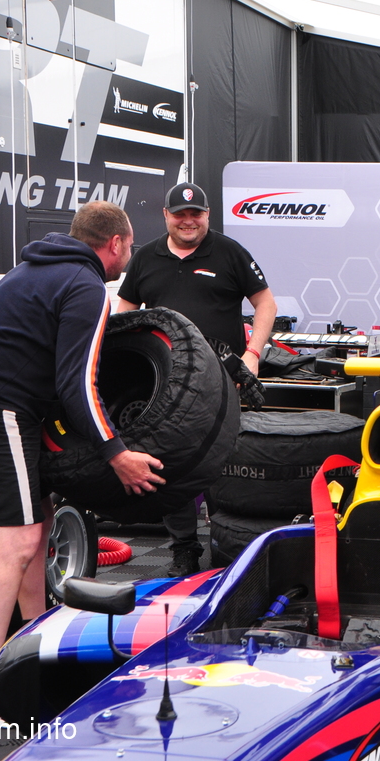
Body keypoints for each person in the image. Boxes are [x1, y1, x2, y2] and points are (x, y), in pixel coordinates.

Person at [0, 202, 165, 722]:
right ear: (115, 244)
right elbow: (77, 383)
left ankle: (35, 646)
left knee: (35, 529)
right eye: (129, 247)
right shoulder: (86, 287)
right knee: (16, 543)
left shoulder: (28, 271)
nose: (128, 256)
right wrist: (117, 453)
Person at [116, 181, 276, 576]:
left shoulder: (230, 252)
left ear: (207, 215)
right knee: (172, 466)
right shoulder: (145, 258)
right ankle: (184, 548)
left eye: (196, 214)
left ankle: (227, 544)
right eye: (180, 214)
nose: (188, 221)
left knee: (225, 464)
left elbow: (265, 303)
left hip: (223, 382)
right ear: (166, 216)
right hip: (166, 388)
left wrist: (252, 355)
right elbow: (124, 314)